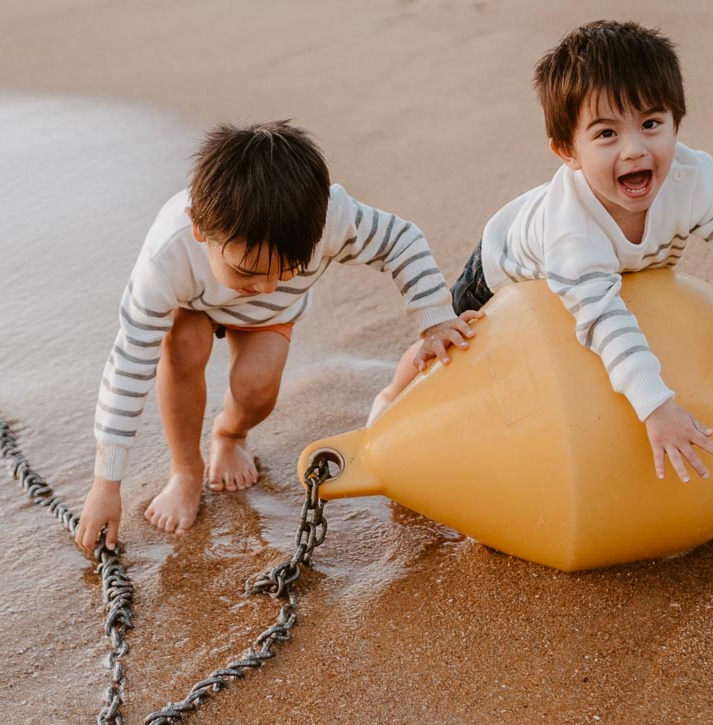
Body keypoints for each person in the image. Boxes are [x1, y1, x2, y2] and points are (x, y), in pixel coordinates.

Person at [373, 20, 713, 481]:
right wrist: (657, 406)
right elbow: (603, 322)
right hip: (506, 269)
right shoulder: (570, 232)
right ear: (567, 151)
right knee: (446, 345)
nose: (635, 149)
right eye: (606, 134)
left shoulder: (690, 178)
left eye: (652, 123)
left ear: (678, 123)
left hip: (616, 272)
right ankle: (392, 399)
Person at [76, 120, 474, 551]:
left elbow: (401, 240)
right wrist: (106, 485)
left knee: (257, 387)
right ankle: (186, 470)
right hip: (193, 305)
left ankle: (229, 435)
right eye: (247, 272)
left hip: (270, 319)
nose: (265, 285)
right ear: (199, 230)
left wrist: (434, 319)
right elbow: (130, 364)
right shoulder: (166, 256)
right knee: (186, 346)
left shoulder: (331, 218)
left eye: (287, 272)